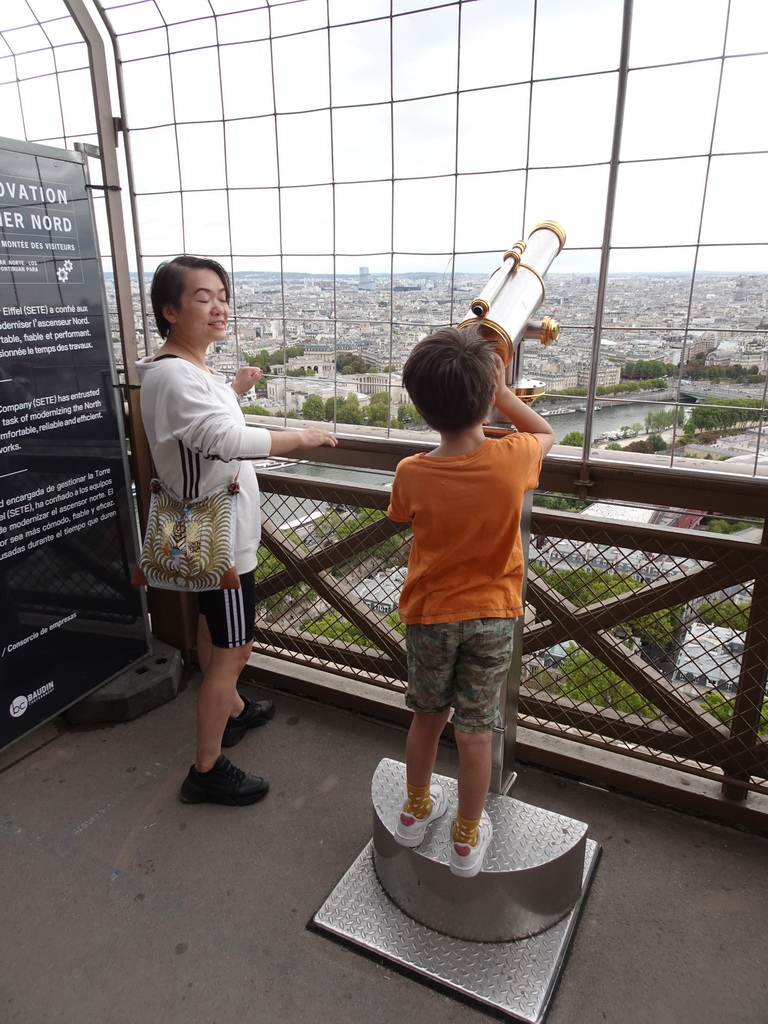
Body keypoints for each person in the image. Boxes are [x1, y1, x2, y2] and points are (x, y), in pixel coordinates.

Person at [137, 255, 336, 806]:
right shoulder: (179, 376)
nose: (219, 305)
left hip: (206, 529)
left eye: (222, 294)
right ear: (170, 310)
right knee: (234, 648)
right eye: (203, 297)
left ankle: (236, 711)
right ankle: (206, 769)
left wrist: (235, 389)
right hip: (220, 539)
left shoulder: (182, 369)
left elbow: (197, 430)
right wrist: (302, 436)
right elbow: (226, 441)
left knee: (212, 632)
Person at [387, 323, 554, 877]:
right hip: (493, 615)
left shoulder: (411, 471)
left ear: (419, 405)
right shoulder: (513, 459)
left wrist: (486, 390)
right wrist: (502, 392)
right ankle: (465, 838)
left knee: (426, 719)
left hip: (431, 614)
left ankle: (414, 812)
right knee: (477, 732)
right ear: (485, 398)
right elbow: (546, 432)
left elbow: (402, 516)